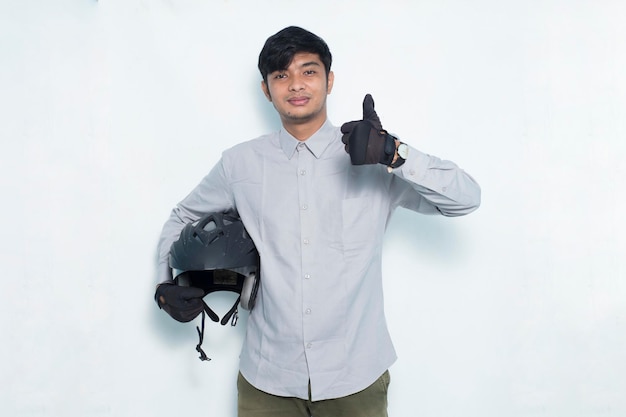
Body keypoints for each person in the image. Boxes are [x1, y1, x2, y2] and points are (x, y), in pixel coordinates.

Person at [155, 26, 481, 417]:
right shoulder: (239, 165)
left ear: (329, 80)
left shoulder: (373, 156)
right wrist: (164, 283)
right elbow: (184, 216)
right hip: (267, 380)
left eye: (308, 71)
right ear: (266, 89)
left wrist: (395, 153)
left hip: (355, 377)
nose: (295, 84)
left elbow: (465, 199)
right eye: (281, 75)